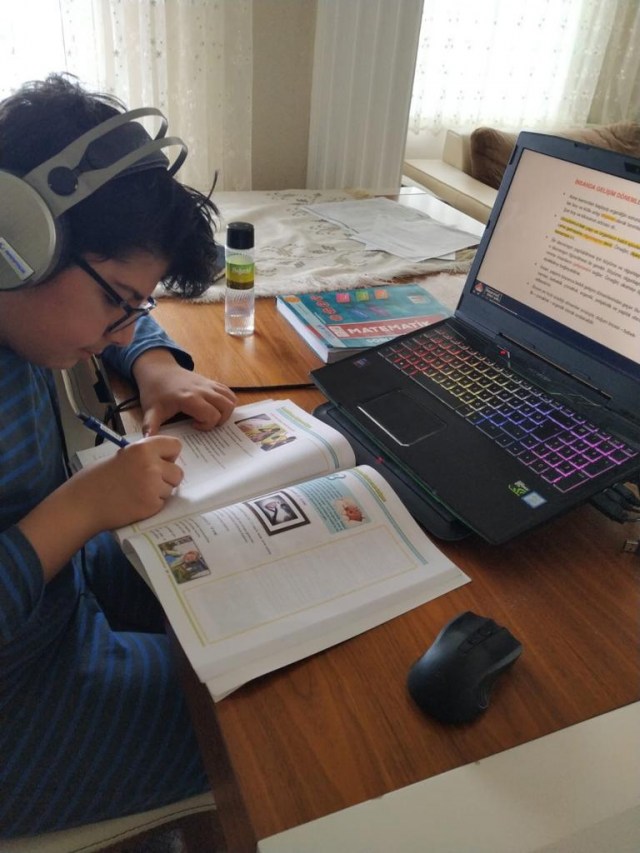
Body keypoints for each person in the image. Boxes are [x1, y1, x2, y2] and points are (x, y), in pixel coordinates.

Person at [0, 74, 238, 839]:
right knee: (271, 711)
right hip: (22, 705)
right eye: (119, 303)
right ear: (20, 242)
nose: (124, 324)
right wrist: (81, 508)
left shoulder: (24, 303)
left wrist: (154, 361)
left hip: (55, 599)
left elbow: (105, 293)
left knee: (243, 585)